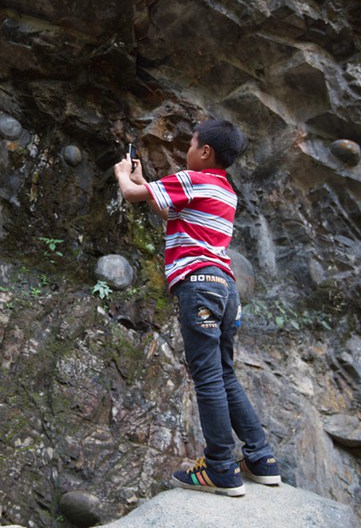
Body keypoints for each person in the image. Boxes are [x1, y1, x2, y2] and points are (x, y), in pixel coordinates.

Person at [113, 119, 280, 497]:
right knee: (224, 373)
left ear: (205, 152)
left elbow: (129, 195)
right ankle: (261, 458)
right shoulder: (225, 193)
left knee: (206, 376)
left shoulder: (191, 179)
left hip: (199, 286)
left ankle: (220, 466)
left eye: (190, 144)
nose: (187, 151)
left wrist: (125, 175)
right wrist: (144, 182)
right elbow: (171, 213)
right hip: (226, 289)